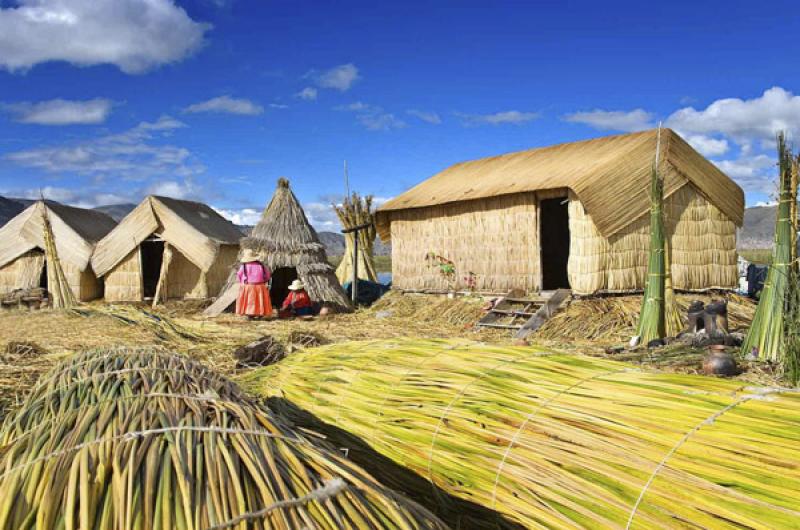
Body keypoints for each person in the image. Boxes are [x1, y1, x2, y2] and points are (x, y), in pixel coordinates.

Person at [235, 249, 272, 319]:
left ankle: (250, 314)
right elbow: (267, 275)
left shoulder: (244, 266)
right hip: (260, 286)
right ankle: (260, 314)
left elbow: (239, 275)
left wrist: (242, 283)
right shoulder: (262, 266)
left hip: (248, 286)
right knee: (260, 300)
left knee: (250, 300)